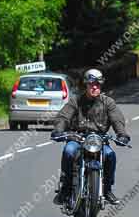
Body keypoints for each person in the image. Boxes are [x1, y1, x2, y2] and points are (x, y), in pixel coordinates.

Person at [51, 69, 130, 205]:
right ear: (86, 85)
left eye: (98, 84)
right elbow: (64, 116)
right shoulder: (75, 101)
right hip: (78, 138)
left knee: (110, 155)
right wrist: (59, 130)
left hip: (99, 140)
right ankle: (66, 188)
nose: (95, 87)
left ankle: (107, 190)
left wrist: (122, 135)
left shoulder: (108, 102)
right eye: (91, 84)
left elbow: (117, 119)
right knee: (69, 152)